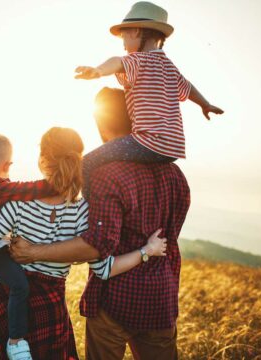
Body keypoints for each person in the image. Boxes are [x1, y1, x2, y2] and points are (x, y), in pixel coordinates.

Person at [10, 87, 191, 359]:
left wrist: (33, 252)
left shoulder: (107, 174)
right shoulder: (176, 175)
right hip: (160, 298)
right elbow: (171, 238)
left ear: (102, 125)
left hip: (114, 302)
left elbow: (97, 246)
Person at [0, 127, 168, 360]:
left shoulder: (17, 203)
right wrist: (146, 251)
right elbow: (105, 269)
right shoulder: (83, 213)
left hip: (7, 302)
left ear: (42, 161)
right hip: (50, 311)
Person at [74, 1, 223, 197]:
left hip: (148, 143)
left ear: (135, 31)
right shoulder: (169, 67)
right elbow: (189, 87)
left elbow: (117, 62)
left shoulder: (138, 60)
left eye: (124, 38)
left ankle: (86, 211)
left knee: (86, 164)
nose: (124, 45)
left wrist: (98, 71)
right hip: (172, 150)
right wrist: (205, 104)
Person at [0, 134, 57, 357]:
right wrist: (63, 179)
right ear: (7, 165)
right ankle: (16, 342)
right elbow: (37, 188)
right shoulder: (4, 189)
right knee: (20, 285)